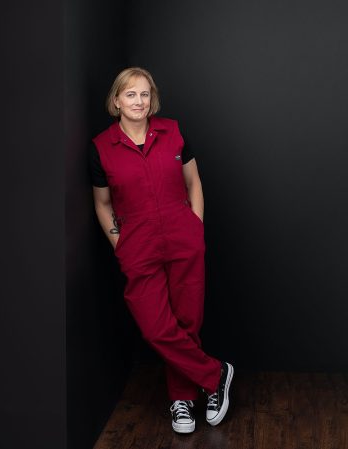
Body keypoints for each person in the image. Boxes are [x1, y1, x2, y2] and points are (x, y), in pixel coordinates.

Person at [90, 67, 234, 434]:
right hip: (138, 249)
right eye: (131, 95)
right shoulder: (101, 148)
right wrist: (119, 243)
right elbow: (103, 203)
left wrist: (196, 228)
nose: (139, 102)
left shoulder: (174, 133)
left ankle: (181, 401)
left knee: (187, 323)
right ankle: (216, 375)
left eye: (145, 94)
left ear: (152, 99)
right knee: (156, 327)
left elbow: (193, 182)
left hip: (183, 241)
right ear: (117, 101)